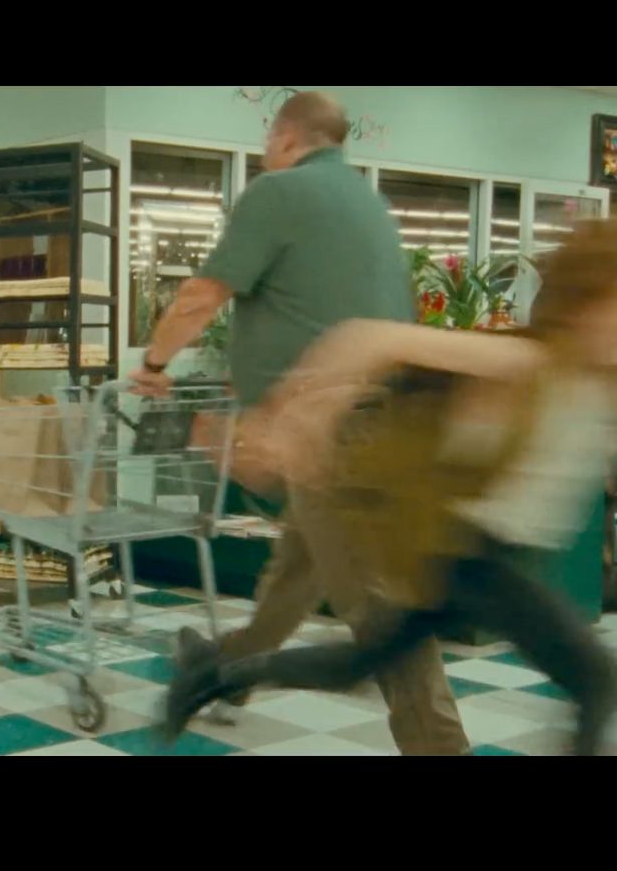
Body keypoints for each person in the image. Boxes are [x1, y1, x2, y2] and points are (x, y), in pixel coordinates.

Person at [162, 219, 617, 755]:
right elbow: (367, 339)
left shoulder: (599, 380)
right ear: (583, 306)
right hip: (473, 559)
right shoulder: (526, 362)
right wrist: (281, 422)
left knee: (358, 661)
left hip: (487, 558)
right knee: (594, 680)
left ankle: (212, 677)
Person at [128, 90, 469, 754]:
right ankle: (225, 671)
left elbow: (200, 297)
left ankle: (443, 748)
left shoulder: (276, 193)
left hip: (333, 435)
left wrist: (155, 361)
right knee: (294, 576)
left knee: (379, 612)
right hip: (372, 425)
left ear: (286, 137)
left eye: (265, 142)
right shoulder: (367, 205)